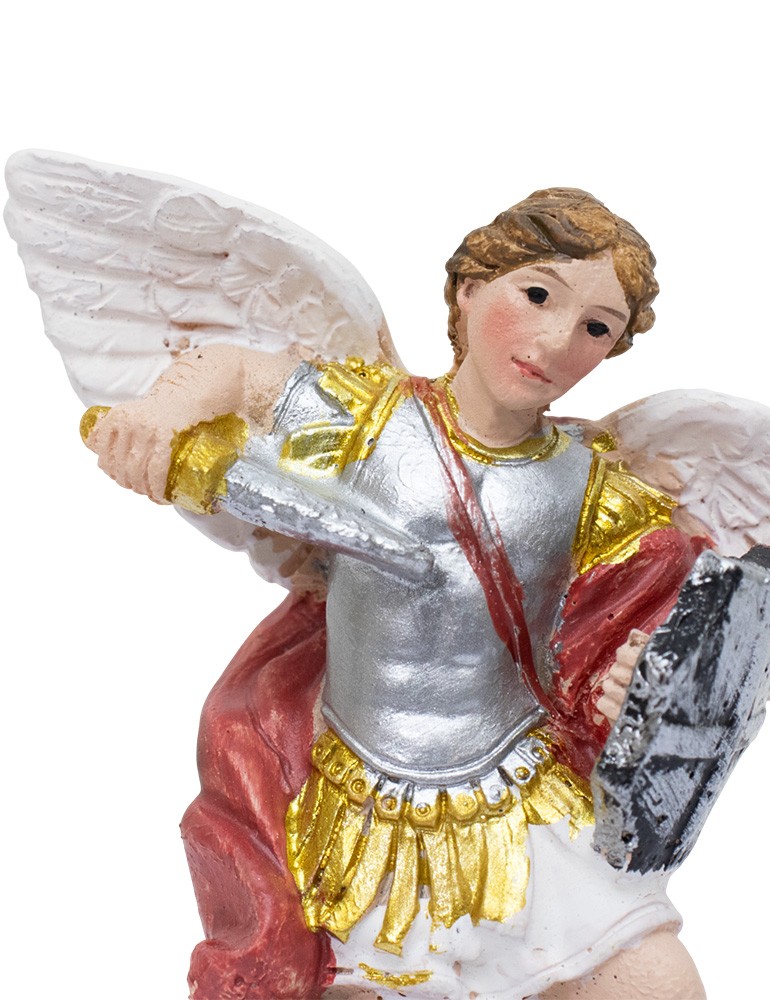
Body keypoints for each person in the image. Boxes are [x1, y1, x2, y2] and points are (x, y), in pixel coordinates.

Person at [85, 189, 713, 999]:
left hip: (525, 803)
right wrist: (162, 413)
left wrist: (640, 683)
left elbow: (646, 623)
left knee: (654, 980)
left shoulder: (593, 485)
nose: (558, 340)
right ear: (469, 289)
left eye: (597, 328)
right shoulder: (368, 419)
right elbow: (234, 371)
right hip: (361, 805)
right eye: (537, 295)